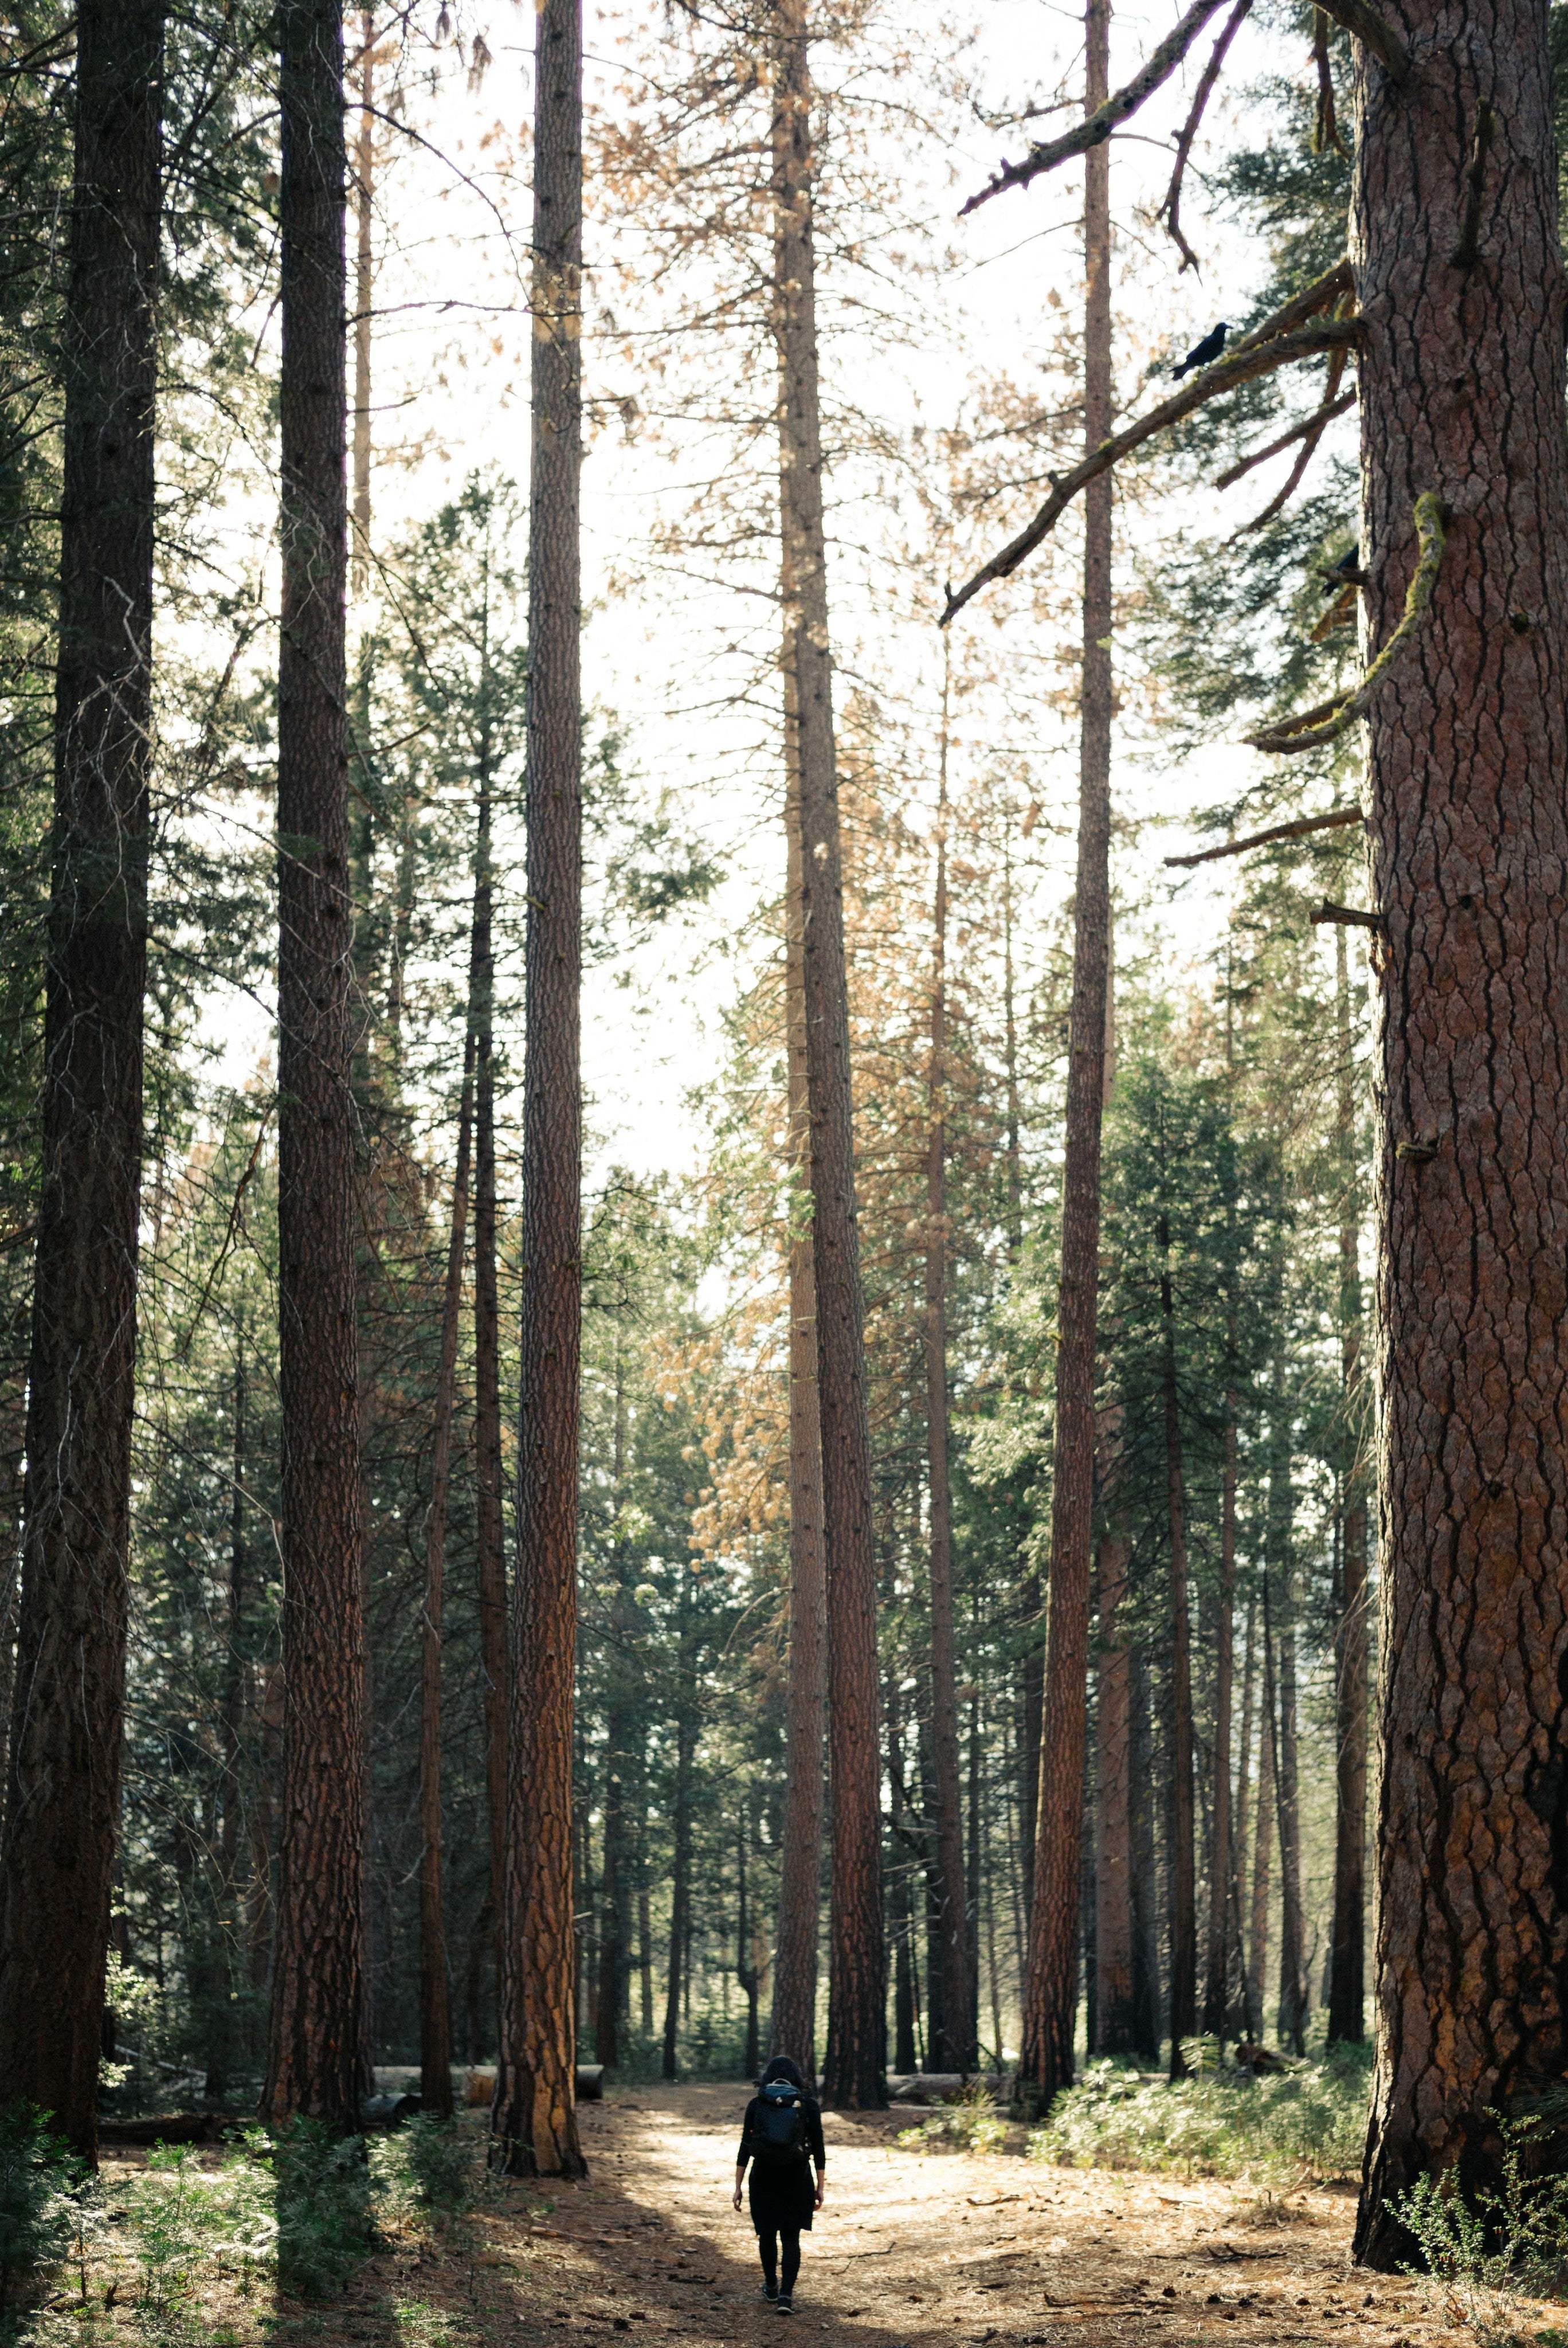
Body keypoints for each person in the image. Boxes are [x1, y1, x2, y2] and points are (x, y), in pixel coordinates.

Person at [732, 2054, 825, 2312]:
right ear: (797, 2078)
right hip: (797, 2177)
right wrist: (820, 2186)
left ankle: (771, 2286)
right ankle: (786, 2296)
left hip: (763, 2176)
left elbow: (745, 2146)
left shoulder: (757, 2104)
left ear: (767, 2077)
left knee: (767, 2234)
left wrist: (738, 2186)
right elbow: (818, 2146)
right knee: (791, 2237)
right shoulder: (808, 2105)